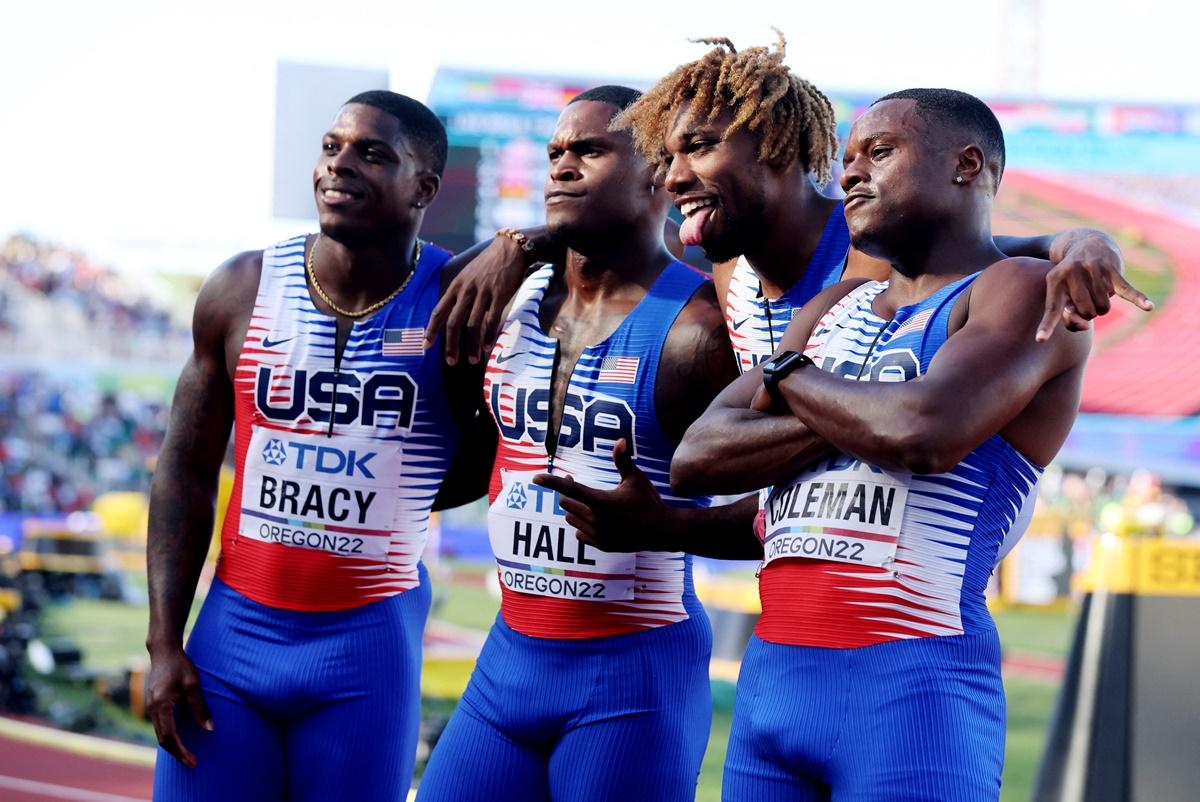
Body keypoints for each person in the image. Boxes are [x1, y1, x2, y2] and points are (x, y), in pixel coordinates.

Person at [674, 87, 1091, 801]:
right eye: (847, 158)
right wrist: (845, 402)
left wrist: (785, 373)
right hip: (774, 685)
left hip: (912, 688)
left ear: (967, 165)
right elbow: (699, 454)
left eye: (881, 151)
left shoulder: (1020, 290)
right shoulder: (834, 306)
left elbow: (923, 434)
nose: (851, 173)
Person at [144, 90, 493, 801]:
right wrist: (161, 643)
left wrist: (401, 492)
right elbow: (184, 467)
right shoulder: (242, 288)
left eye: (372, 152)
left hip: (367, 646)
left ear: (424, 187)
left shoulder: (458, 298)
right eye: (332, 147)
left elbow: (488, 460)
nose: (339, 164)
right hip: (232, 636)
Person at [428, 32, 1149, 371]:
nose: (674, 178)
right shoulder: (723, 269)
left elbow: (993, 254)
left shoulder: (872, 247)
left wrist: (1084, 241)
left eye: (700, 148)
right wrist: (519, 243)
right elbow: (617, 240)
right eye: (668, 157)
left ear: (774, 147)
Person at [415, 85, 751, 802]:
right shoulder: (506, 301)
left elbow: (793, 501)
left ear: (659, 172)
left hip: (632, 673)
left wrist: (673, 526)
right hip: (510, 654)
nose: (562, 167)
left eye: (590, 150)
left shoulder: (702, 328)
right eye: (555, 153)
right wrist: (515, 243)